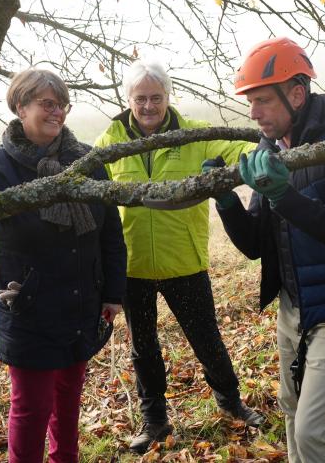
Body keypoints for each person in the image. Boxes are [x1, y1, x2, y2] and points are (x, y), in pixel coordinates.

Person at [206, 37, 325, 463]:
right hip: (295, 306)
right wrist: (227, 202)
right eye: (250, 102)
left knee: (311, 430)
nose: (254, 113)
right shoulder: (270, 147)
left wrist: (283, 196)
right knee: (291, 409)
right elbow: (256, 245)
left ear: (297, 95)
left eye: (263, 100)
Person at [94, 60, 262, 454]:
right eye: (141, 98)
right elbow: (85, 180)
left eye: (156, 97)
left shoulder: (193, 135)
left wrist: (261, 155)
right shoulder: (111, 141)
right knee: (143, 348)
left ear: (168, 97)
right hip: (133, 267)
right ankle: (154, 421)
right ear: (128, 99)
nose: (148, 106)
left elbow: (242, 147)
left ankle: (231, 403)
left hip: (184, 261)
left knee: (206, 339)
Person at [0, 68, 128, 463]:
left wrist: (112, 293)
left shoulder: (88, 160)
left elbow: (111, 231)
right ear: (20, 107)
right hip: (29, 309)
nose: (57, 112)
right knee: (32, 410)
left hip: (81, 303)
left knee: (68, 402)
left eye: (62, 105)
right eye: (47, 103)